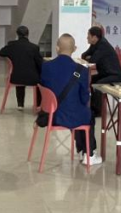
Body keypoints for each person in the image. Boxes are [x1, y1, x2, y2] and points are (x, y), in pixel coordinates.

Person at [40, 34, 100, 165]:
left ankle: (81, 150)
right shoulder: (81, 70)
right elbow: (84, 98)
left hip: (50, 116)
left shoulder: (46, 66)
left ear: (57, 48)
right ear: (75, 49)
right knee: (87, 114)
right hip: (70, 116)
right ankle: (89, 154)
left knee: (79, 112)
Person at [0, 25, 43, 109]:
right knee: (40, 80)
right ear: (28, 34)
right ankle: (38, 105)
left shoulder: (12, 45)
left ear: (17, 34)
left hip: (15, 77)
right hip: (32, 79)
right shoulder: (34, 47)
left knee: (20, 71)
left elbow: (1, 53)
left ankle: (20, 104)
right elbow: (40, 63)